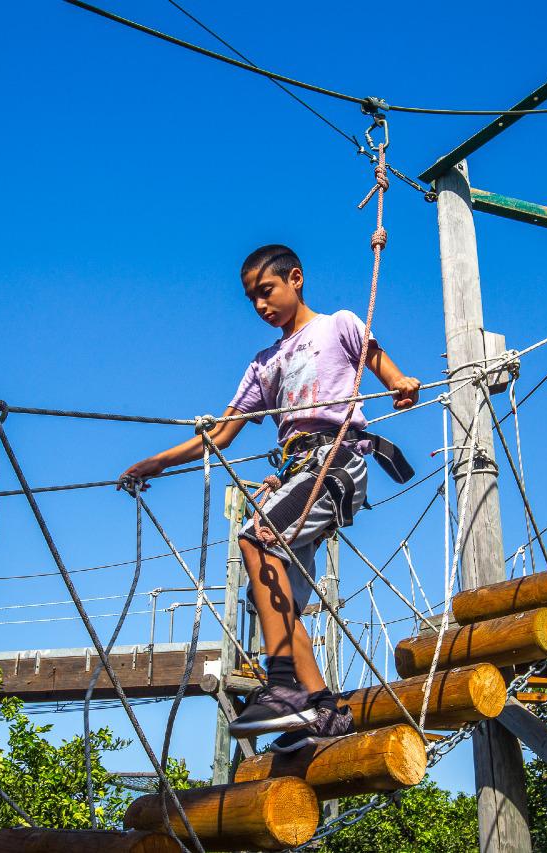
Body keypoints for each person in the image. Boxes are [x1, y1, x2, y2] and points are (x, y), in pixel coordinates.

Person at [121, 244, 419, 751]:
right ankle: (323, 711)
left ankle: (282, 688)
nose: (261, 306)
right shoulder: (265, 364)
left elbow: (377, 359)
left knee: (256, 538)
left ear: (295, 279)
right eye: (251, 299)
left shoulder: (337, 326)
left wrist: (398, 383)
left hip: (334, 461)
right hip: (294, 472)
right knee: (282, 605)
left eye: (267, 291)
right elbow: (220, 434)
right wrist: (158, 462)